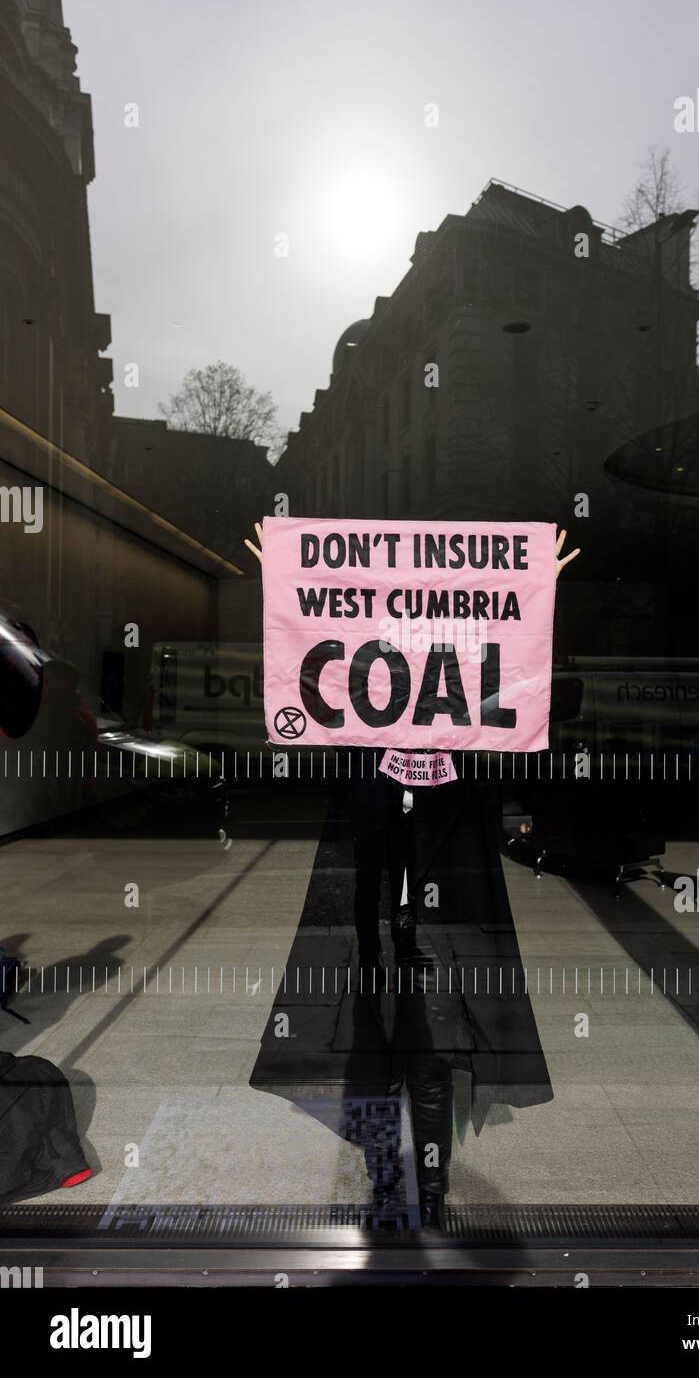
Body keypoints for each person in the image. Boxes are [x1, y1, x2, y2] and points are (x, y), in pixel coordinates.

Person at [244, 522, 579, 1230]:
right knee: (373, 1049)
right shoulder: (358, 742)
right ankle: (384, 1179)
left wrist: (540, 590)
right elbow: (303, 672)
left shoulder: (467, 742)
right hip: (372, 921)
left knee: (429, 1058)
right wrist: (281, 586)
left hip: (440, 923)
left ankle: (428, 1194)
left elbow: (523, 680)